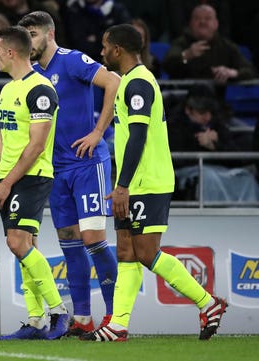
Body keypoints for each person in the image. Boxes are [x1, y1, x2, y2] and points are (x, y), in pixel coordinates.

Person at [80, 24, 228, 341]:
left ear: (118, 49)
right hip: (134, 181)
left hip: (148, 182)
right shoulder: (129, 83)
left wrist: (123, 186)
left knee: (147, 253)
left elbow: (138, 136)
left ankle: (208, 302)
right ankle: (118, 325)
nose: (101, 52)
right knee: (125, 251)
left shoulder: (139, 84)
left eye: (105, 46)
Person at [18, 11, 120, 336]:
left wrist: (98, 133)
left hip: (88, 164)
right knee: (70, 244)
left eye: (32, 34)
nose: (27, 41)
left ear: (49, 34)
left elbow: (113, 81)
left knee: (93, 239)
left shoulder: (72, 60)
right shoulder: (31, 73)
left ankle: (116, 318)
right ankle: (84, 319)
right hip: (56, 168)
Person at [0, 26, 69, 341]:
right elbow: (2, 141)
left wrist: (5, 184)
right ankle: (36, 320)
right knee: (25, 248)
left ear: (11, 52)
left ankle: (58, 312)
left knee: (17, 243)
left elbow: (37, 145)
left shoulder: (40, 89)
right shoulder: (7, 90)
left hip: (32, 177)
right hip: (8, 179)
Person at [162, 4, 257, 85]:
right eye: (197, 18)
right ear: (190, 23)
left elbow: (251, 71)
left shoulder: (226, 46)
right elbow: (167, 66)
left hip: (216, 100)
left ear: (216, 24)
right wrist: (187, 55)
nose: (202, 22)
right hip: (184, 98)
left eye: (208, 18)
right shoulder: (180, 43)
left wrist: (233, 73)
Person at [65, 0, 131, 61]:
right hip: (82, 65)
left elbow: (124, 40)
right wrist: (104, 41)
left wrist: (94, 39)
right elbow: (77, 45)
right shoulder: (73, 11)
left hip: (114, 64)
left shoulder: (117, 10)